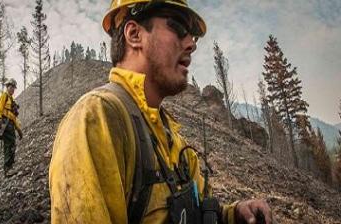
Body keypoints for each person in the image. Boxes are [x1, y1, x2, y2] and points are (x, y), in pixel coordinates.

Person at [49, 0, 273, 223]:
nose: (191, 44)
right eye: (178, 27)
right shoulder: (96, 119)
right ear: (134, 34)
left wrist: (233, 216)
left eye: (192, 36)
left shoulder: (176, 144)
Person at [0, 78, 23, 177]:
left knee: (12, 144)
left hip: (10, 125)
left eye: (13, 88)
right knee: (9, 144)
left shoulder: (12, 100)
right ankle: (7, 169)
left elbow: (14, 117)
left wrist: (19, 129)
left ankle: (10, 167)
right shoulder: (4, 96)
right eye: (11, 87)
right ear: (7, 87)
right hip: (4, 124)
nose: (12, 89)